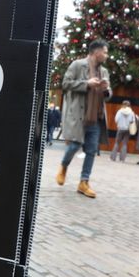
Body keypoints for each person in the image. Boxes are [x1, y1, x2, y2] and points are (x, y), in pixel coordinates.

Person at [55, 39, 111, 198]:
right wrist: (86, 83)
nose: (106, 55)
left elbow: (108, 93)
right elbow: (66, 83)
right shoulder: (77, 65)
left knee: (91, 151)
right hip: (79, 115)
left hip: (96, 117)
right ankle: (64, 166)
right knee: (74, 145)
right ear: (96, 52)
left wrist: (106, 90)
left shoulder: (104, 71)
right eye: (105, 52)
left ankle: (84, 182)